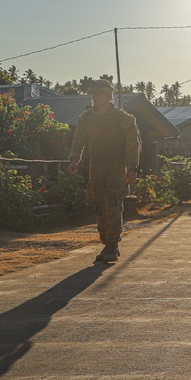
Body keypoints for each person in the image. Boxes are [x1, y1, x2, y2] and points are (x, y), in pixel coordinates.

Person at [67, 79, 141, 263]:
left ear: (109, 96)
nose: (96, 96)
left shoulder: (122, 118)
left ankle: (113, 245)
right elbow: (79, 140)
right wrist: (74, 159)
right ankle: (105, 242)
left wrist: (132, 168)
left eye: (100, 93)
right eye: (94, 93)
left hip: (116, 166)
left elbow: (133, 143)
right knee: (99, 204)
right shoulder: (87, 118)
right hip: (96, 166)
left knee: (113, 202)